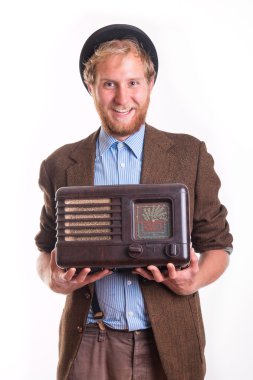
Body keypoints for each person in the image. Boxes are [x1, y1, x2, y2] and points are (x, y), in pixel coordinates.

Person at [35, 24, 233, 380]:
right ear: (91, 87)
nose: (122, 98)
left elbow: (218, 247)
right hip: (91, 341)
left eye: (133, 83)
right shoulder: (60, 165)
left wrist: (195, 279)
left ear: (150, 84)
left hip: (169, 340)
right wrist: (53, 279)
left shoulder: (190, 155)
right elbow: (45, 250)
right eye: (109, 83)